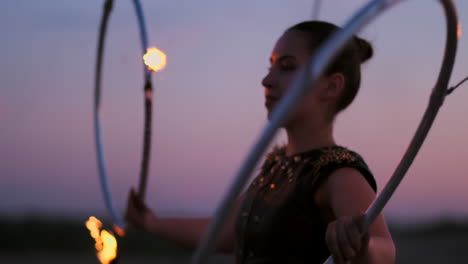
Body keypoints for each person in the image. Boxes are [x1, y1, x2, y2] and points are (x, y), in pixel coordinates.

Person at [125, 20, 396, 264]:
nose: (266, 80)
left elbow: (384, 248)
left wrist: (363, 249)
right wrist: (150, 222)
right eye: (271, 65)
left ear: (331, 86)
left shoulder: (339, 173)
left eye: (287, 67)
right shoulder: (276, 167)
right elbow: (221, 233)